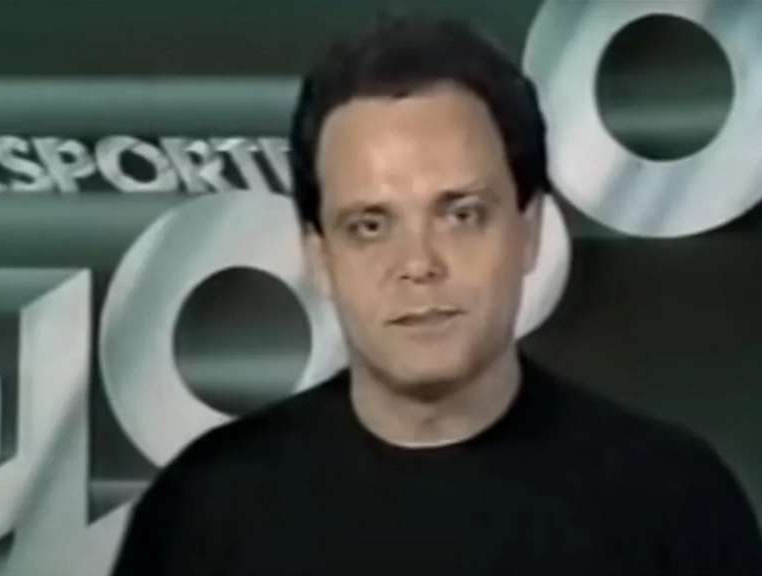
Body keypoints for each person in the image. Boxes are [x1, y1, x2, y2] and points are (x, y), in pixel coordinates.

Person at [111, 16, 762, 575]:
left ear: (529, 232)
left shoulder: (674, 502)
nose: (418, 264)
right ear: (319, 257)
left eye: (461, 215)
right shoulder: (202, 514)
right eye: (370, 226)